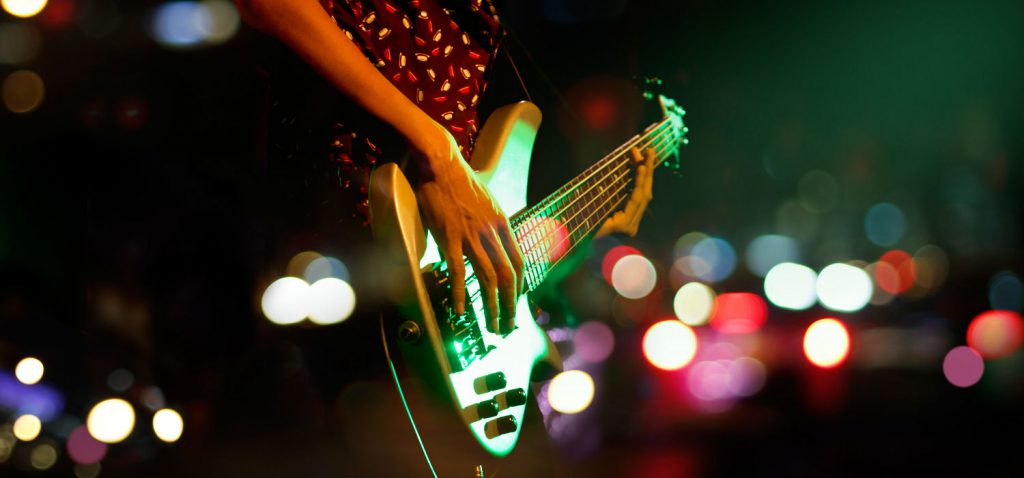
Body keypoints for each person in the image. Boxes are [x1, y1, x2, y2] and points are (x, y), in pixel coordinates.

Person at [235, 0, 654, 335]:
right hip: (338, 269)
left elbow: (481, 218)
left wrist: (583, 234)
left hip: (437, 309)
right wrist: (435, 152)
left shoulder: (482, 19)